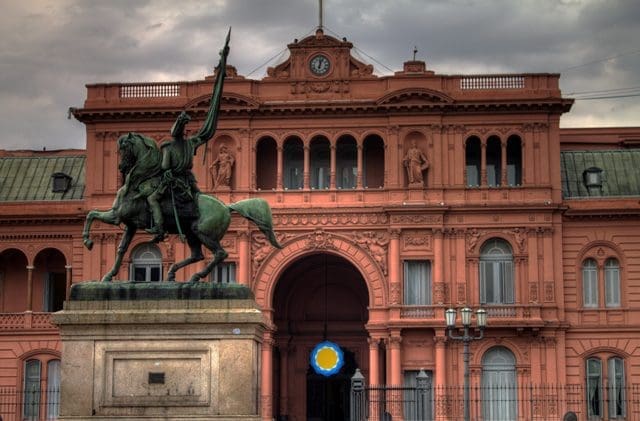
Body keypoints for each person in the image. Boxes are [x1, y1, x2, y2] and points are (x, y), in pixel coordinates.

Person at [146, 111, 203, 241]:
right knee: (198, 195)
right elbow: (205, 134)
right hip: (188, 181)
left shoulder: (169, 146)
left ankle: (159, 229)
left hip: (173, 182)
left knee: (152, 199)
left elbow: (165, 166)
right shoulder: (190, 144)